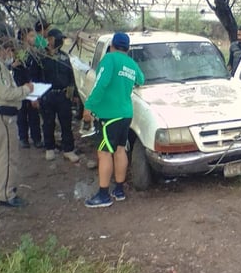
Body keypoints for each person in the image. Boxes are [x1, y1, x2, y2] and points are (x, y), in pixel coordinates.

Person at [83, 32, 145, 208]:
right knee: (120, 150)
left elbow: (101, 83)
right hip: (126, 114)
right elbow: (141, 79)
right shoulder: (131, 64)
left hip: (109, 115)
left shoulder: (109, 60)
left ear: (111, 46)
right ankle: (119, 190)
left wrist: (89, 106)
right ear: (127, 48)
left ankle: (103, 195)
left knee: (104, 153)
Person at [0, 38, 34, 207]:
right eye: (11, 52)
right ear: (5, 50)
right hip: (3, 114)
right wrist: (26, 90)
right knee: (8, 155)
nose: (12, 55)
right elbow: (5, 93)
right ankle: (7, 194)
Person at [39, 28, 80, 163]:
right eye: (58, 39)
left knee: (66, 123)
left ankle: (68, 149)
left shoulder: (64, 56)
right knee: (48, 123)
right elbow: (35, 78)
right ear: (50, 40)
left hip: (63, 96)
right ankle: (49, 147)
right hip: (47, 95)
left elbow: (71, 76)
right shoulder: (41, 56)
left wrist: (74, 94)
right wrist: (36, 97)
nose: (60, 41)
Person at [12, 28, 43, 148]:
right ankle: (23, 138)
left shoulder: (34, 53)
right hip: (22, 87)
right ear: (24, 38)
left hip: (33, 87)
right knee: (22, 113)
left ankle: (36, 138)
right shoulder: (20, 54)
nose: (34, 38)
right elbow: (19, 72)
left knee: (34, 114)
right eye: (31, 36)